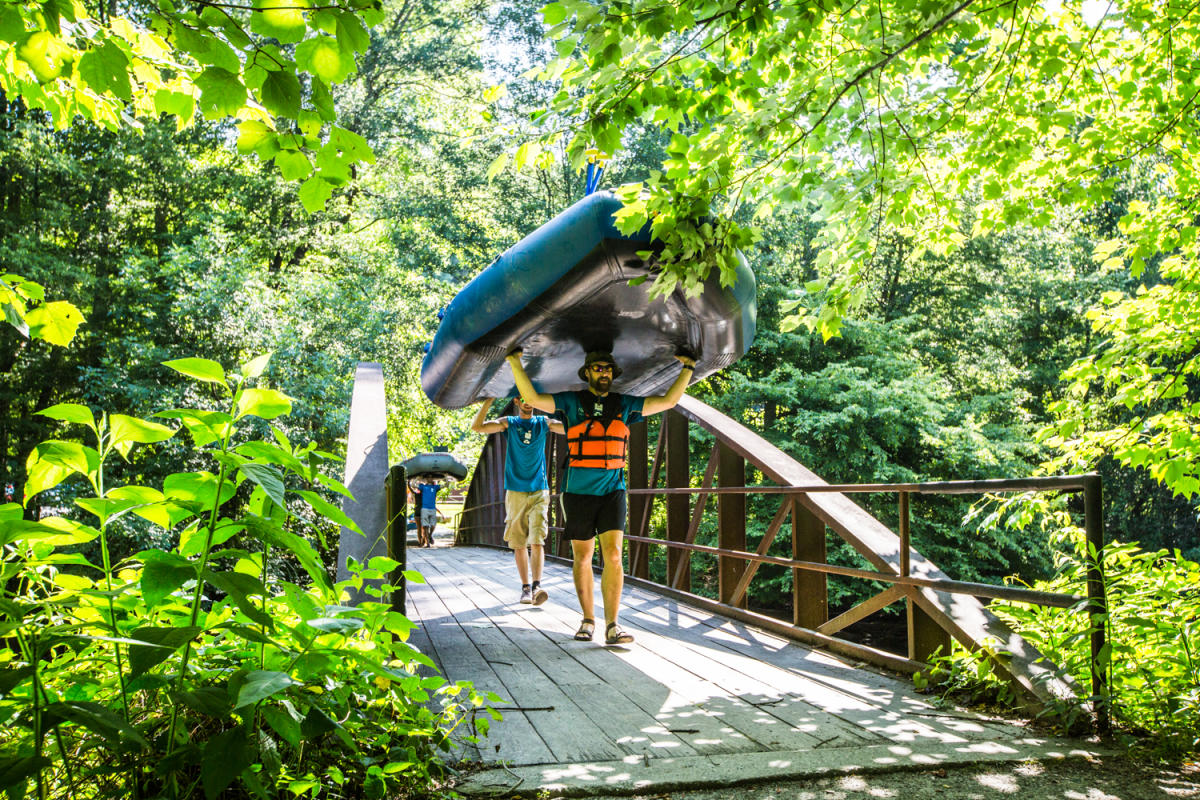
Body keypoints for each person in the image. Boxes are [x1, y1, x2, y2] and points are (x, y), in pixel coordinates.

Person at [507, 348, 695, 645]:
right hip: (577, 492)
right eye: (598, 368)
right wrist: (514, 361)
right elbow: (532, 399)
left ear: (612, 373)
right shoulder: (571, 402)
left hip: (612, 490)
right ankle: (587, 620)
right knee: (583, 557)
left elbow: (668, 401)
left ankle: (613, 625)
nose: (604, 373)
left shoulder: (625, 404)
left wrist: (688, 368)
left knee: (614, 556)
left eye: (608, 368)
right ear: (587, 373)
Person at [471, 397, 565, 605]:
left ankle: (537, 586)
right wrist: (487, 402)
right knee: (518, 542)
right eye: (523, 398)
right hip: (515, 491)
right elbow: (477, 427)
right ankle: (525, 587)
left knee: (537, 539)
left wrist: (556, 404)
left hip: (539, 489)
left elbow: (571, 429)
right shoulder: (509, 423)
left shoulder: (544, 423)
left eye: (530, 398)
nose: (527, 402)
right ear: (516, 401)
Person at [415, 480, 440, 547]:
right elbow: (416, 487)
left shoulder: (434, 487)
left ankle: (429, 536)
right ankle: (426, 543)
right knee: (424, 527)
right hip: (422, 509)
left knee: (432, 525)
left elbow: (440, 486)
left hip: (431, 508)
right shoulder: (422, 488)